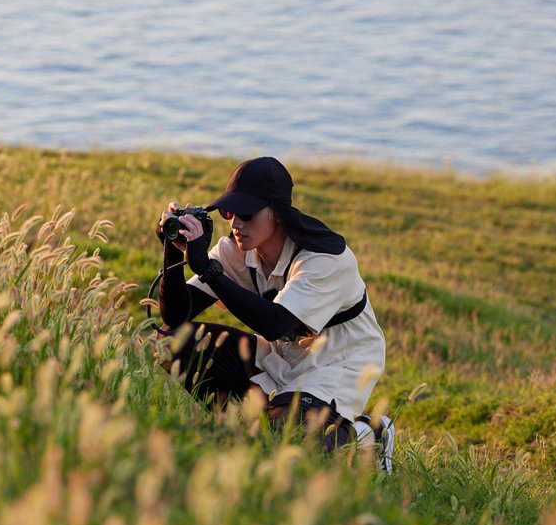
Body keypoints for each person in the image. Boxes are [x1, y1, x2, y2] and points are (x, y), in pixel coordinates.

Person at [155, 156, 393, 472]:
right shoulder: (235, 251)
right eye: (228, 212)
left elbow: (276, 323)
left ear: (277, 214)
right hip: (280, 354)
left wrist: (209, 270)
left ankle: (368, 436)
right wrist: (173, 254)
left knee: (291, 437)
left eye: (246, 213)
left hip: (336, 362)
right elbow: (176, 315)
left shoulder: (324, 258)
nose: (235, 223)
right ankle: (249, 429)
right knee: (171, 341)